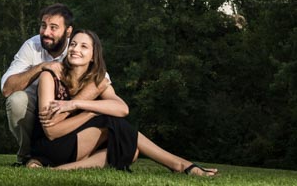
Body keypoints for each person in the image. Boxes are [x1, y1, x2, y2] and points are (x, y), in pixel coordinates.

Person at [29, 29, 218, 177]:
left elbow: (122, 108)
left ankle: (61, 170)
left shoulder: (96, 81)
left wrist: (78, 105)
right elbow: (51, 132)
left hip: (75, 146)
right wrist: (94, 113)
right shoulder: (50, 76)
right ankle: (180, 165)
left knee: (131, 151)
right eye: (74, 44)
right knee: (112, 123)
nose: (75, 49)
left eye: (84, 46)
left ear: (94, 56)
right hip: (49, 147)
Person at [1, 3, 104, 165]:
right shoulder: (31, 46)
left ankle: (76, 155)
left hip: (68, 113)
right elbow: (7, 89)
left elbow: (102, 81)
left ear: (68, 31)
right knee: (16, 100)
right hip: (36, 113)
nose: (46, 32)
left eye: (53, 27)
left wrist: (73, 105)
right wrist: (42, 67)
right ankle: (27, 155)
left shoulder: (76, 49)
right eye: (43, 26)